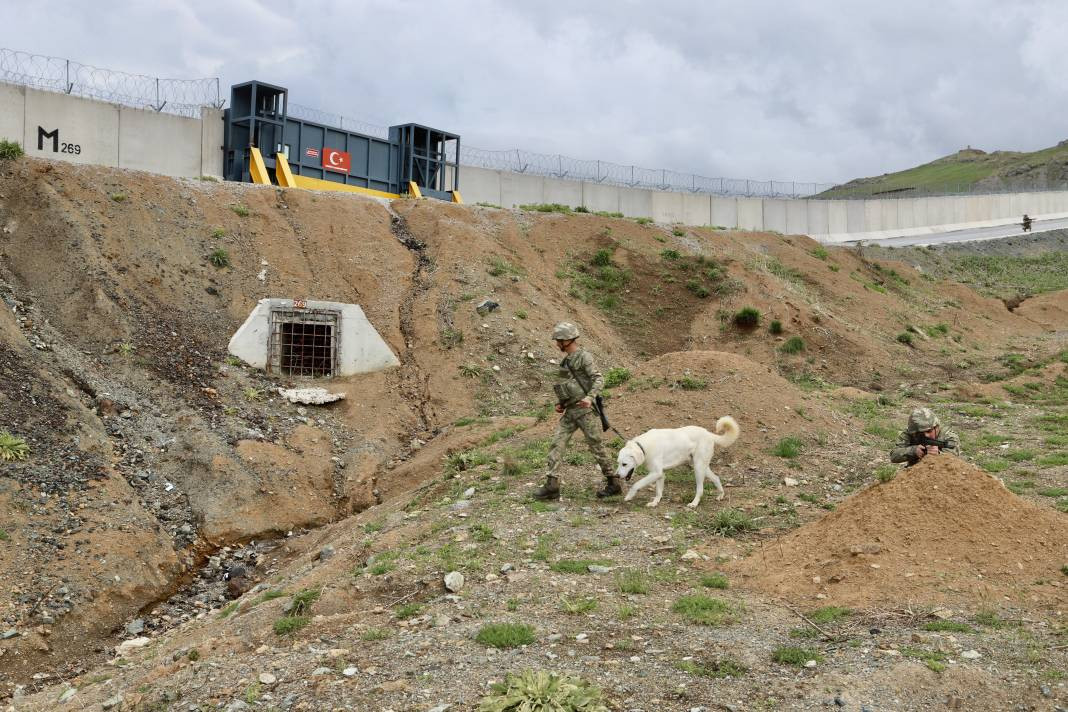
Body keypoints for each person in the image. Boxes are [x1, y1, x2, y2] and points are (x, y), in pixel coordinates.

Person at [534, 322, 619, 500]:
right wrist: (561, 403)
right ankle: (552, 485)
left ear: (567, 340)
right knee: (557, 443)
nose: (557, 344)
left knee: (596, 445)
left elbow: (598, 379)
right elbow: (564, 386)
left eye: (558, 341)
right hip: (570, 412)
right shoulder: (565, 362)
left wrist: (589, 398)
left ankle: (613, 482)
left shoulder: (584, 357)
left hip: (586, 411)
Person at [889, 407, 961, 467]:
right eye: (920, 433)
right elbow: (894, 456)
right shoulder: (910, 433)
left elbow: (955, 458)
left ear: (937, 427)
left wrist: (939, 454)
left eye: (929, 431)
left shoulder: (948, 436)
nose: (926, 435)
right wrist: (913, 451)